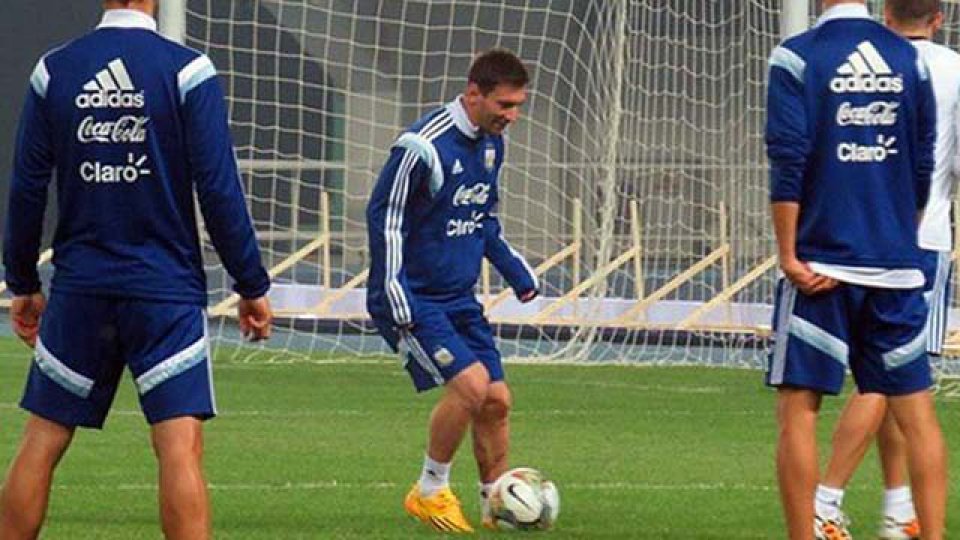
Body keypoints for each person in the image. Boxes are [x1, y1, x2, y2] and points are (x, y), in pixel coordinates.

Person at [0, 1, 272, 538]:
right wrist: (250, 283)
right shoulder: (188, 71)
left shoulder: (54, 70)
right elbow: (218, 189)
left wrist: (23, 283)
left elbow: (27, 187)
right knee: (178, 444)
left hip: (81, 288)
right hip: (163, 290)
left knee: (43, 437)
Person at [764, 0, 947, 539]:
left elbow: (788, 157)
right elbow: (922, 163)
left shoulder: (797, 57)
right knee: (917, 416)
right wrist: (897, 237)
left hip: (822, 265)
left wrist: (788, 253)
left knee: (799, 412)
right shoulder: (908, 59)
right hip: (895, 265)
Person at [366, 48, 538, 533]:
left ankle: (497, 502)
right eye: (505, 105)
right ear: (473, 94)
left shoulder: (490, 145)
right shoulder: (421, 147)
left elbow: (483, 219)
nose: (513, 116)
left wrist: (516, 272)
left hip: (459, 299)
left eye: (518, 105)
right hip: (412, 296)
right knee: (471, 386)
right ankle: (430, 490)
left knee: (497, 400)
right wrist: (392, 291)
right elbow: (385, 220)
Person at [815, 1, 960, 538]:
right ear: (940, 17)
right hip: (918, 243)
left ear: (885, 12)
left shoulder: (862, 59)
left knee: (890, 377)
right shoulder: (950, 69)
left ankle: (900, 508)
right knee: (894, 379)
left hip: (852, 238)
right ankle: (825, 498)